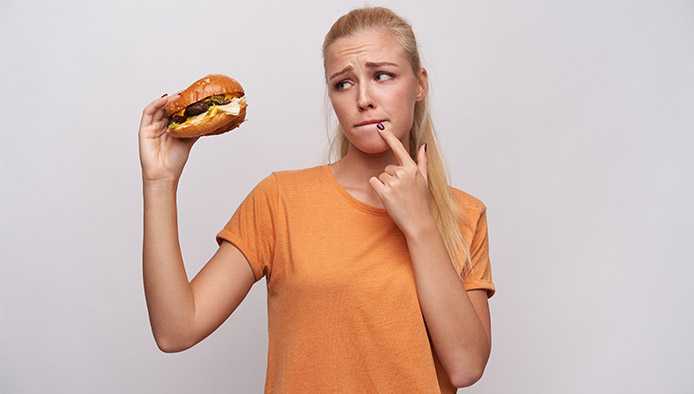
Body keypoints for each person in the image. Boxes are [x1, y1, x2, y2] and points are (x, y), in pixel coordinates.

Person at [138, 6, 495, 393]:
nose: (363, 98)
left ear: (419, 83)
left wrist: (421, 226)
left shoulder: (464, 214)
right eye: (343, 83)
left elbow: (466, 366)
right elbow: (176, 330)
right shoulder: (280, 201)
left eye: (382, 76)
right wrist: (160, 181)